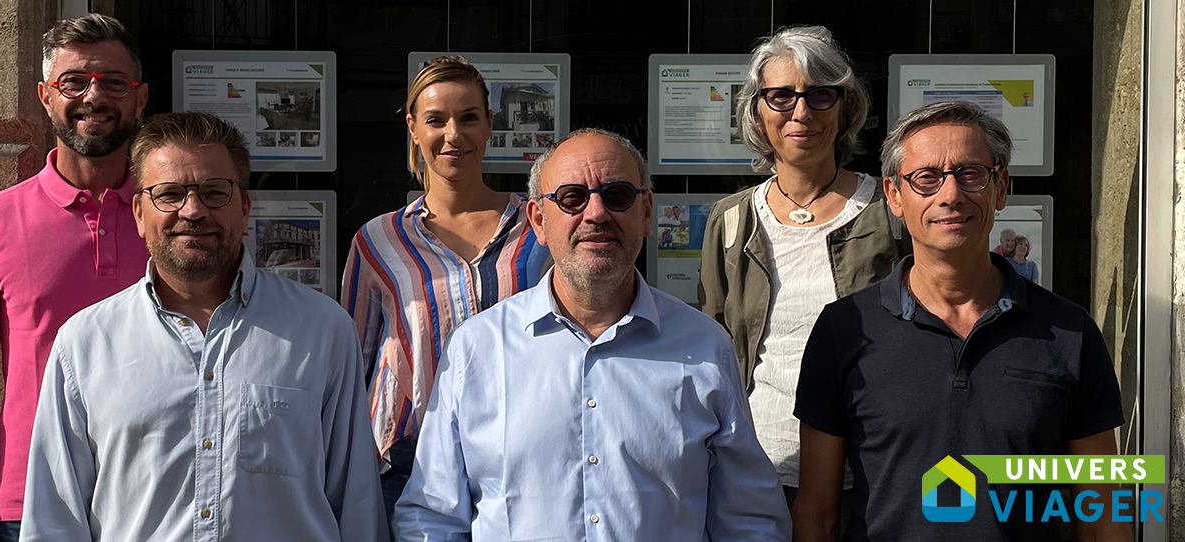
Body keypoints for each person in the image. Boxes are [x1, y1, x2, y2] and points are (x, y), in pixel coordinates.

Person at [394, 128, 791, 540]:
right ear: (538, 221)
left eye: (617, 195)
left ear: (647, 212)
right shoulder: (478, 349)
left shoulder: (705, 347)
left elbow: (750, 520)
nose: (596, 213)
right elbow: (433, 517)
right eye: (571, 198)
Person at [20, 112, 387, 542]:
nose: (192, 211)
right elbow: (53, 520)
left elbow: (357, 505)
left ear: (245, 208)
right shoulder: (84, 344)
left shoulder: (322, 331)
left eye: (214, 193)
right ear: (138, 213)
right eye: (169, 194)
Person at [793, 101, 1129, 542]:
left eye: (971, 174)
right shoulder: (844, 331)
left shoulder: (1069, 333)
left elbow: (1103, 513)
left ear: (1001, 188)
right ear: (895, 196)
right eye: (926, 178)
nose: (950, 195)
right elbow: (817, 515)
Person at [0, 14, 150, 542]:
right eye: (73, 81)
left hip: (160, 497)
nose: (94, 96)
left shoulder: (175, 219)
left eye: (113, 83)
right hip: (27, 504)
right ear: (45, 96)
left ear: (140, 98)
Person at [698, 25, 905, 503]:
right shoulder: (731, 221)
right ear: (757, 109)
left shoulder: (890, 210)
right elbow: (710, 347)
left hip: (872, 465)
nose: (800, 112)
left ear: (845, 105)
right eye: (781, 96)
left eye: (819, 95)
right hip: (756, 465)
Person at [341, 55, 551, 520]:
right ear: (414, 128)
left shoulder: (540, 227)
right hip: (406, 466)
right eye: (436, 120)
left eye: (469, 117)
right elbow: (354, 366)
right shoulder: (377, 240)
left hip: (520, 454)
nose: (453, 135)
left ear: (490, 124)